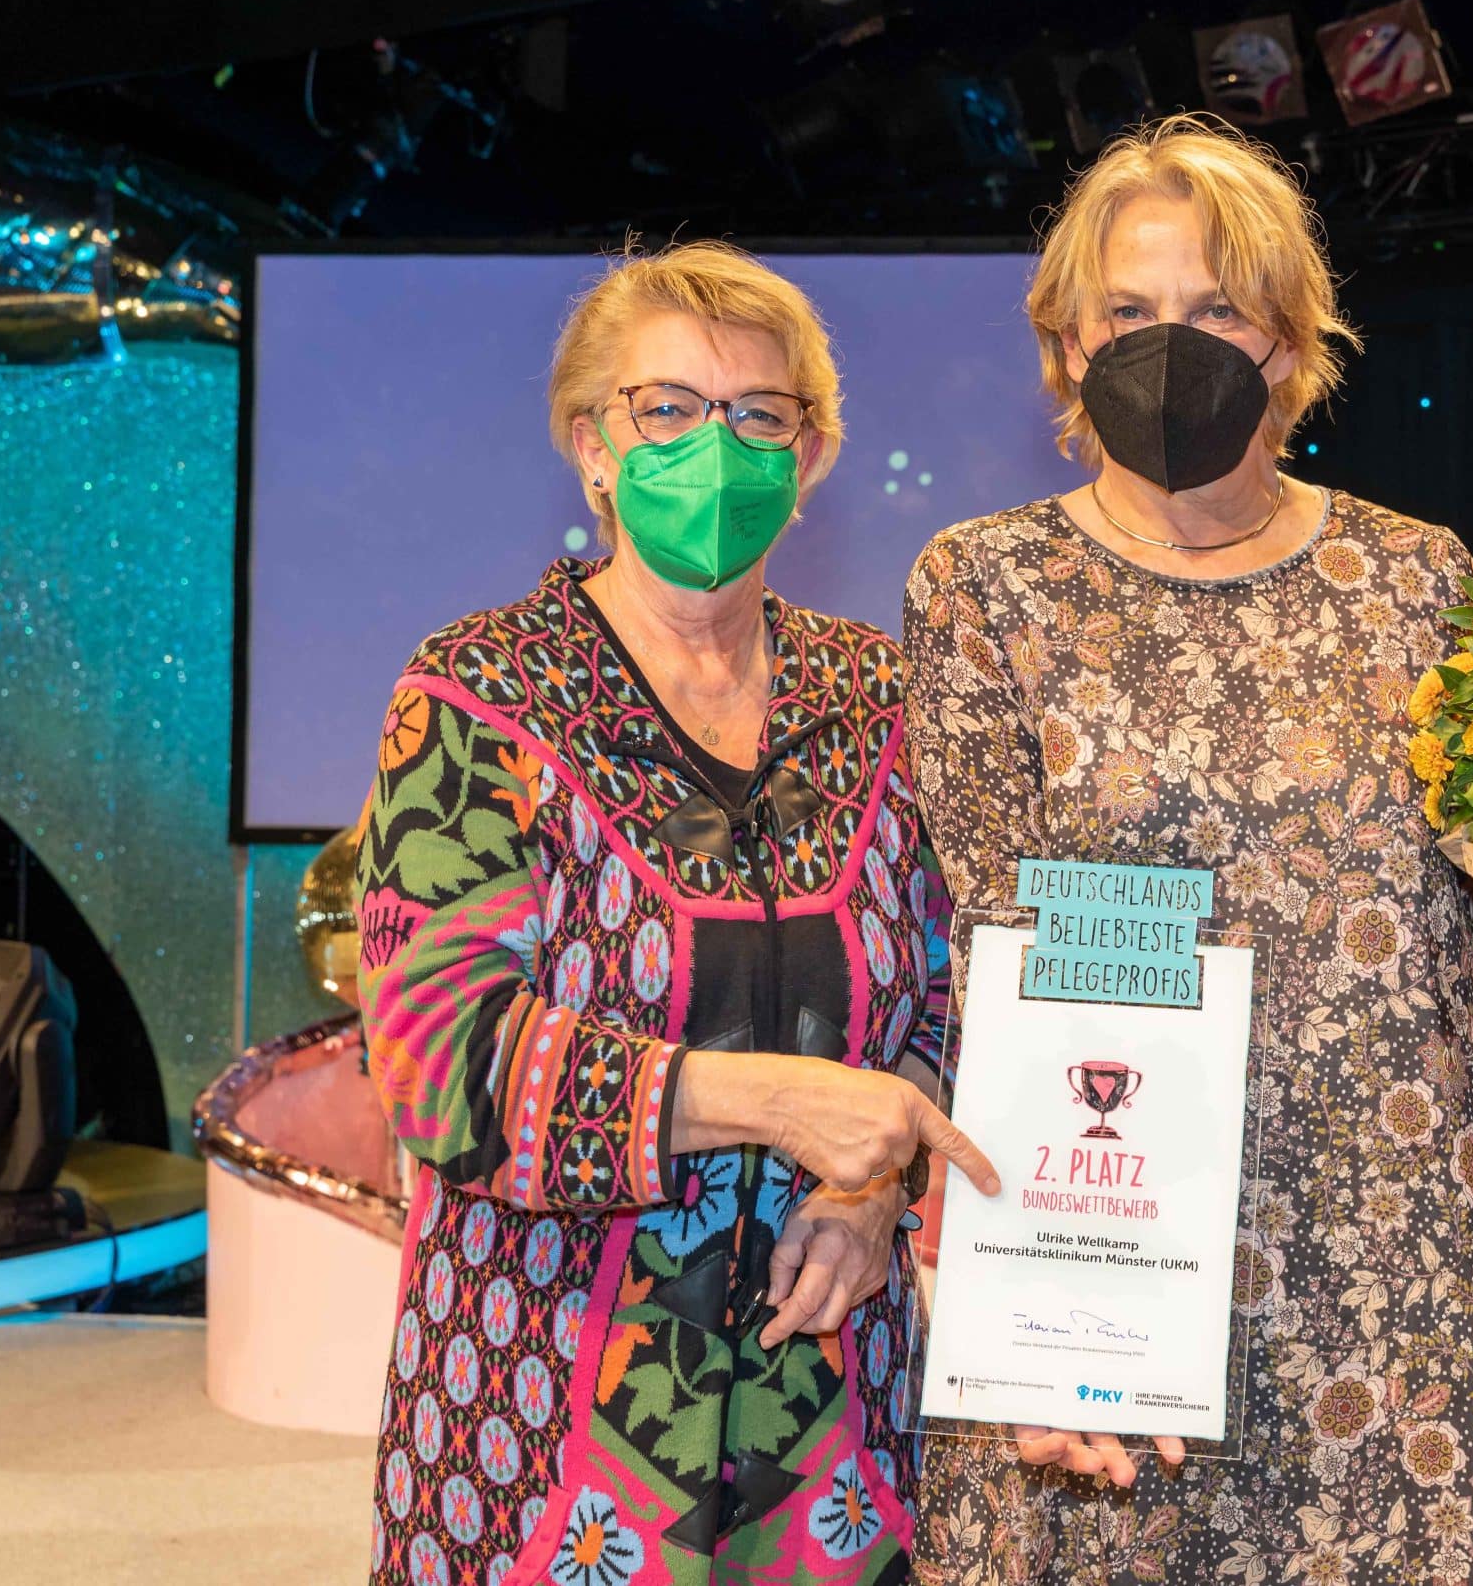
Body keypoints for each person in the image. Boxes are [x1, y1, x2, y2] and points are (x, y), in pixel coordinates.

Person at [902, 117, 1473, 1585]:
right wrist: (1032, 1292)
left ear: (1289, 341)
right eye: (1130, 311)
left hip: (1411, 1246)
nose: (1176, 342)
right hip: (1118, 1241)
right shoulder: (987, 586)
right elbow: (995, 941)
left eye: (1217, 307)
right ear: (1065, 347)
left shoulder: (1419, 577)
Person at [355, 239, 998, 1586]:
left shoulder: (878, 698)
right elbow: (438, 1070)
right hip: (539, 1435)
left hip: (836, 1430)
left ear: (809, 458)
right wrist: (769, 1099)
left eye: (761, 415)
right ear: (590, 445)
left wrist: (879, 1184)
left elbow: (943, 994)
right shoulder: (480, 693)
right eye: (668, 409)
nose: (718, 444)